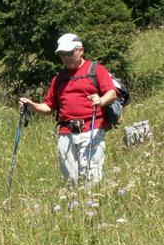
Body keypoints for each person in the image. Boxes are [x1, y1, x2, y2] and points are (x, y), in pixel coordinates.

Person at [19, 33, 117, 188]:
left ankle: (92, 207)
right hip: (66, 132)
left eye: (69, 53)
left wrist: (101, 101)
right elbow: (48, 107)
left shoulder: (95, 70)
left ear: (81, 50)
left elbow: (112, 93)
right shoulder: (59, 78)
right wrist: (32, 105)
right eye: (62, 55)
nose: (66, 58)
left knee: (91, 175)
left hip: (92, 127)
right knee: (70, 177)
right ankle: (76, 206)